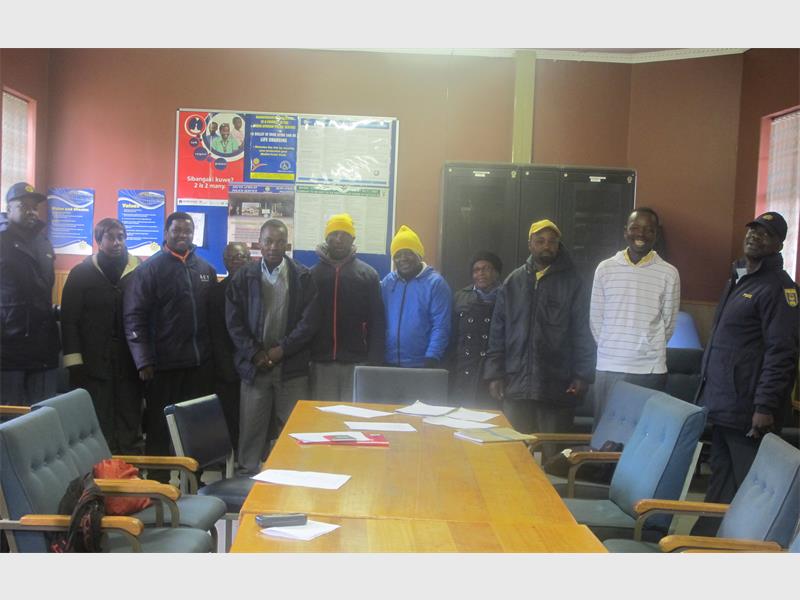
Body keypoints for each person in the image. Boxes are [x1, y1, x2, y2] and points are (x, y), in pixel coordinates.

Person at [692, 212, 799, 536]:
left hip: (750, 410)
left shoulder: (779, 289)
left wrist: (764, 407)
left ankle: (754, 550)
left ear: (779, 245)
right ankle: (703, 542)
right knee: (721, 481)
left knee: (753, 491)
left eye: (765, 234)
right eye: (753, 230)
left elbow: (782, 353)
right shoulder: (738, 278)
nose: (755, 236)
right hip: (724, 403)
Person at [484, 220, 595, 458]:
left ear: (558, 245)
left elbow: (583, 331)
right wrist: (494, 374)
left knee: (555, 455)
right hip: (516, 382)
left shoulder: (573, 282)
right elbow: (498, 331)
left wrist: (582, 375)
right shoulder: (513, 282)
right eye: (540, 241)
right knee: (513, 452)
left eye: (552, 242)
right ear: (530, 244)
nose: (546, 246)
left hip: (557, 384)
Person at [124, 212, 217, 470]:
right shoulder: (149, 270)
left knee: (196, 427)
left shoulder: (205, 270)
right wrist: (143, 360)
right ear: (166, 233)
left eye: (188, 231)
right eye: (177, 231)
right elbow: (134, 317)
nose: (183, 235)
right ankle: (159, 481)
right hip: (163, 366)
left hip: (198, 365)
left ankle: (195, 481)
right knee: (159, 428)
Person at [226, 219, 320, 474]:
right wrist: (255, 353)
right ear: (259, 243)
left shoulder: (303, 276)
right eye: (268, 241)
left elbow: (309, 322)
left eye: (280, 242)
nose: (273, 247)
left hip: (291, 367)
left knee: (294, 429)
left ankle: (295, 477)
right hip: (255, 368)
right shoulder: (244, 277)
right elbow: (233, 322)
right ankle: (247, 479)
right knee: (251, 429)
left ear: (287, 245)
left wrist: (282, 350)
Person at [588, 207, 680, 424]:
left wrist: (647, 347)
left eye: (649, 230)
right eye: (635, 228)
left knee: (641, 435)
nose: (641, 234)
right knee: (604, 435)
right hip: (609, 367)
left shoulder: (669, 272)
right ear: (625, 231)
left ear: (656, 235)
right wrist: (614, 347)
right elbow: (596, 319)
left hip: (650, 370)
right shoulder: (605, 269)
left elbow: (669, 324)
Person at [61, 218, 142, 453]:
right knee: (99, 412)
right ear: (98, 240)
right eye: (110, 237)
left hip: (130, 358)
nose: (117, 242)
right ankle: (101, 464)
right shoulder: (80, 273)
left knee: (130, 410)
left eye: (121, 237)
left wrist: (145, 358)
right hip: (93, 359)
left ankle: (130, 463)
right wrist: (74, 362)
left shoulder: (139, 271)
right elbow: (69, 320)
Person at [309, 213, 385, 401]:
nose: (339, 239)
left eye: (345, 234)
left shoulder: (368, 275)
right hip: (320, 362)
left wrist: (374, 360)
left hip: (357, 361)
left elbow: (377, 320)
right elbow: (305, 320)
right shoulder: (312, 275)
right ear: (326, 238)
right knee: (324, 414)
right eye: (334, 234)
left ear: (353, 239)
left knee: (353, 413)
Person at [0, 182, 61, 405]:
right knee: (11, 417)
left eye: (34, 207)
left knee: (43, 415)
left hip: (43, 347)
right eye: (24, 206)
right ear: (9, 209)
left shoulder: (44, 243)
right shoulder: (2, 242)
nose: (31, 211)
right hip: (8, 348)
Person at [381, 225, 451, 368]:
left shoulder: (435, 284)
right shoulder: (388, 282)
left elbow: (441, 325)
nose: (403, 259)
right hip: (389, 362)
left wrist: (432, 356)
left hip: (422, 364)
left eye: (408, 253)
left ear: (419, 255)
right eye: (398, 255)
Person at [208, 241, 251, 451]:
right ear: (225, 262)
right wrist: (227, 369)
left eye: (242, 256)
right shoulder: (216, 293)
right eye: (232, 257)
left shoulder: (259, 288)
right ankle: (230, 459)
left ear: (250, 260)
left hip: (253, 365)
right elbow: (216, 334)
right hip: (227, 369)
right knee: (230, 418)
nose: (237, 261)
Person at [449, 251, 503, 408]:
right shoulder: (460, 296)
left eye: (486, 269)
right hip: (464, 367)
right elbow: (453, 335)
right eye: (476, 270)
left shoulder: (508, 296)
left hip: (492, 370)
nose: (481, 274)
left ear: (496, 272)